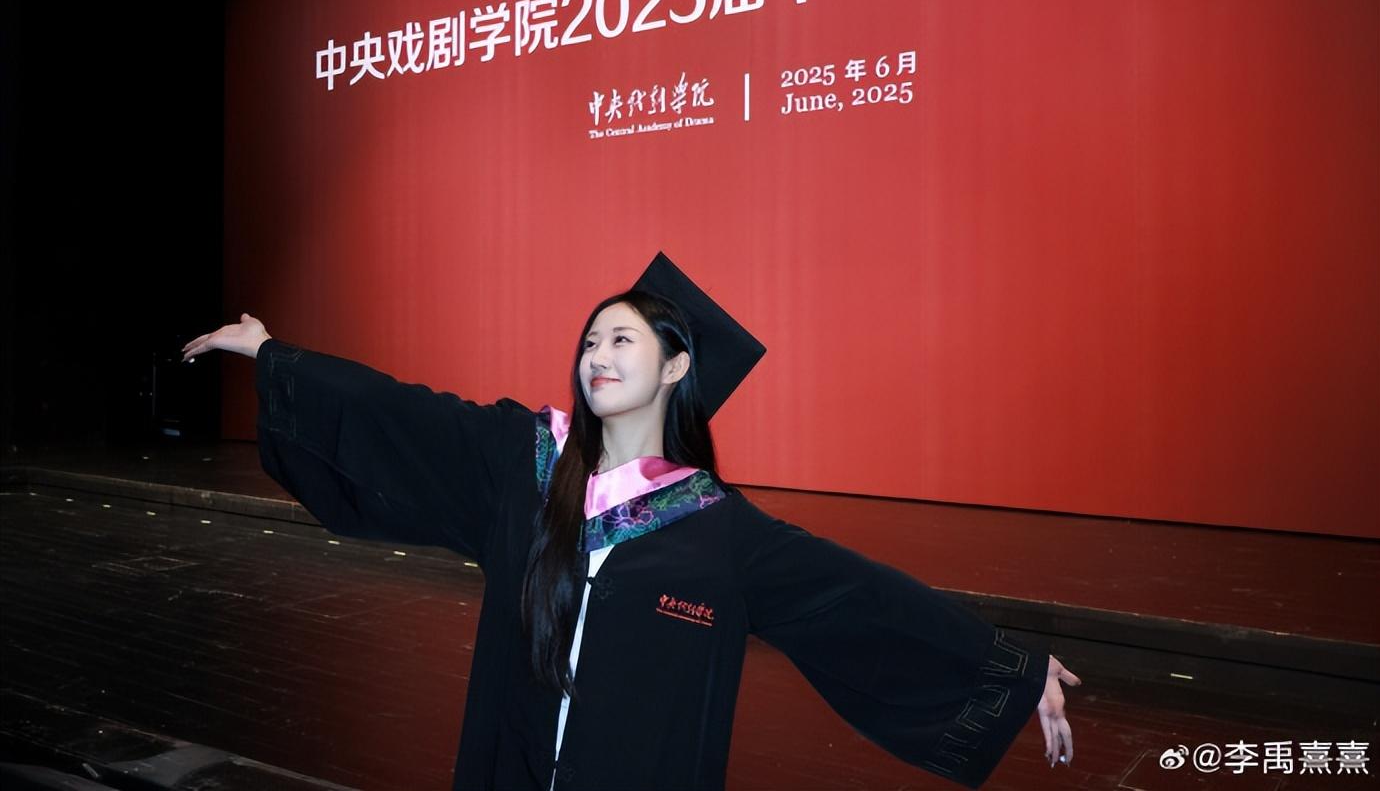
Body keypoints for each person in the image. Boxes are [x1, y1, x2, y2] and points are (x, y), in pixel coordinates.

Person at [182, 252, 1079, 791]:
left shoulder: (717, 527)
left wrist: (1004, 668)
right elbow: (401, 414)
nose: (596, 356)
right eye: (589, 340)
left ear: (676, 367)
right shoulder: (522, 462)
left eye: (622, 341)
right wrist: (275, 356)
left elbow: (856, 600)